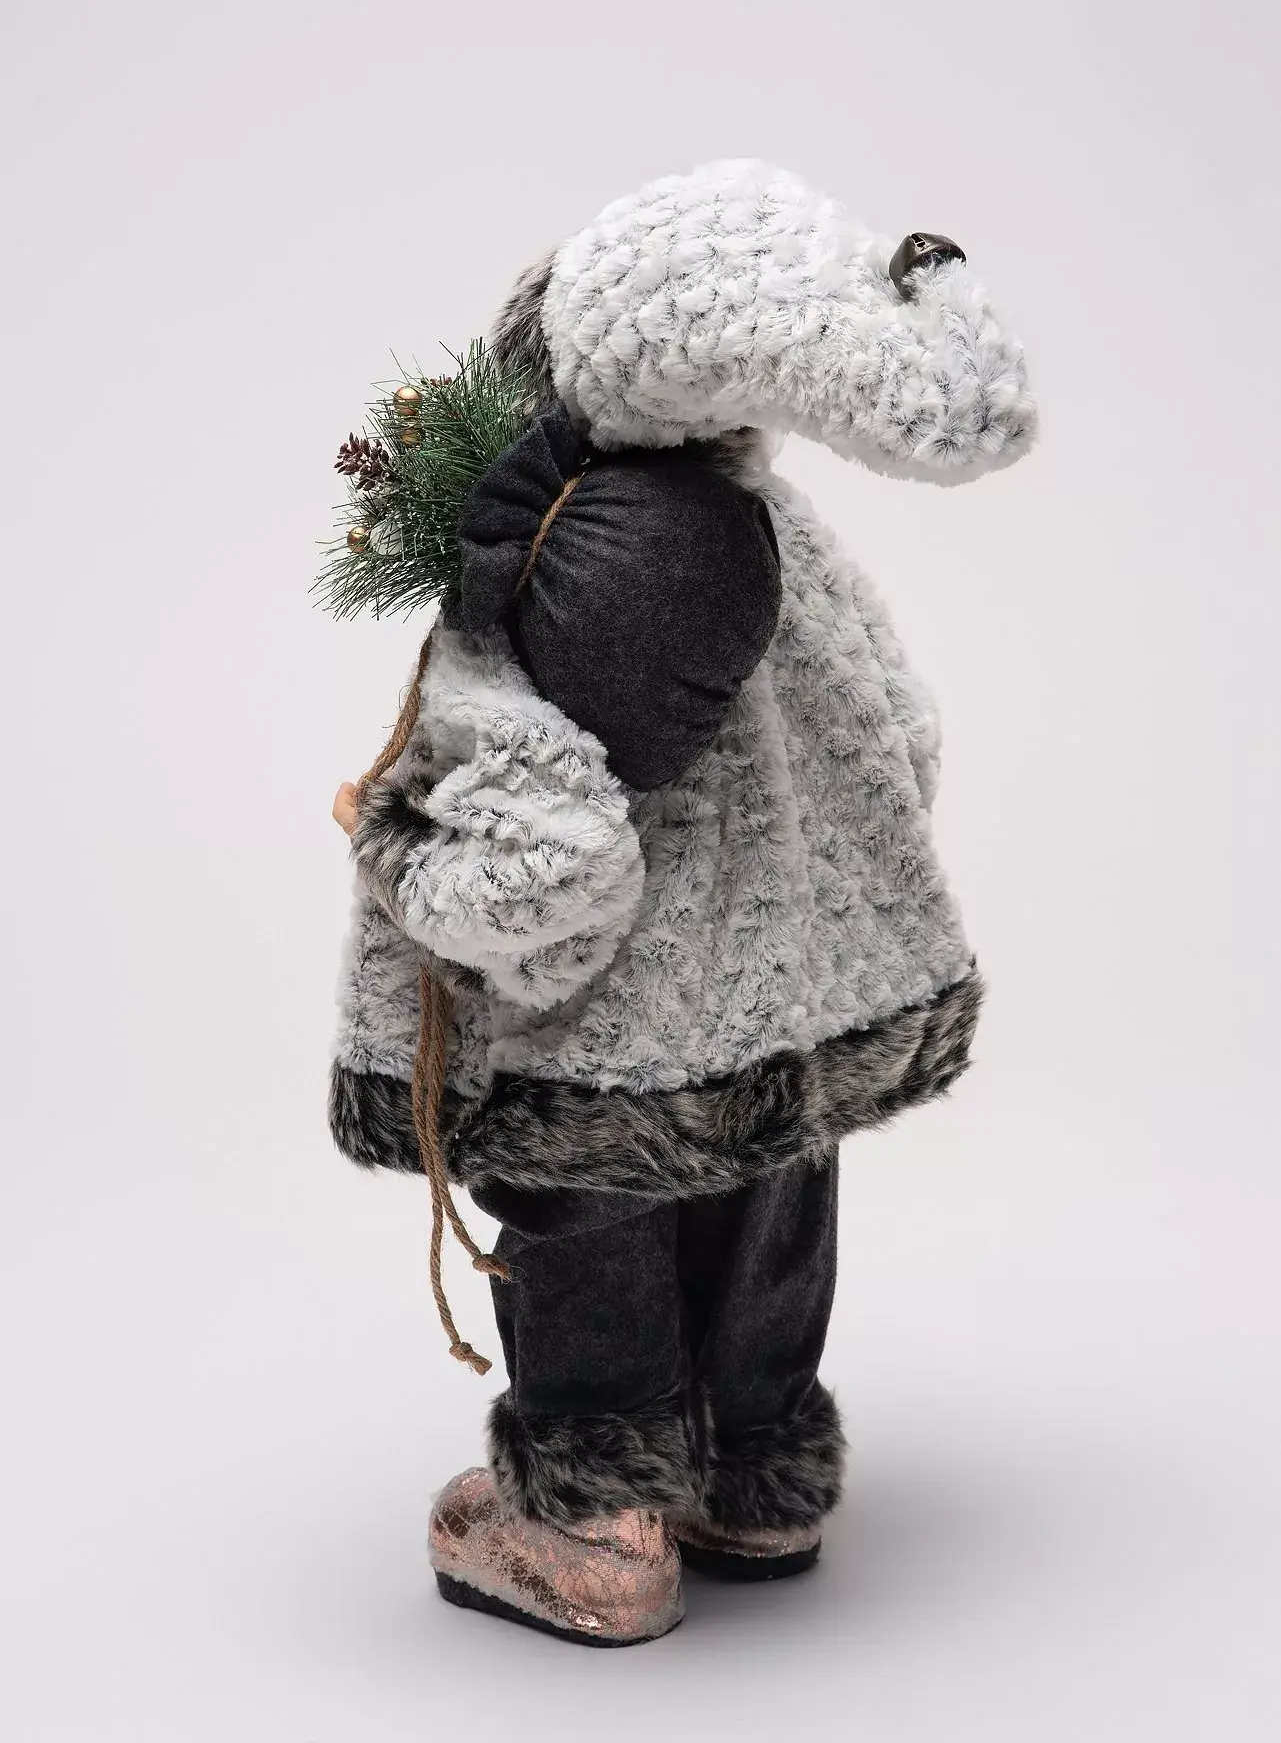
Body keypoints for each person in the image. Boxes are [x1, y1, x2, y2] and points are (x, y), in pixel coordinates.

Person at [327, 161, 1037, 1645]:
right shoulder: (782, 533)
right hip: (795, 994)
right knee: (772, 1183)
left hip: (601, 1025)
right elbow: (903, 734)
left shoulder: (535, 562)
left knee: (591, 1218)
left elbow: (545, 874)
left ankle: (590, 1525)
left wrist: (393, 841)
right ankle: (756, 1478)